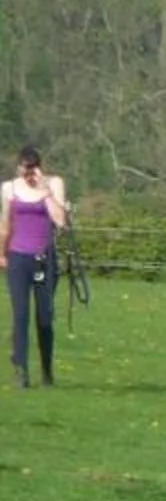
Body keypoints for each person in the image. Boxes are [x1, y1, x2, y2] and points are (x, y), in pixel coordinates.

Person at [7, 146, 70, 387]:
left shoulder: (53, 184)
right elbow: (6, 222)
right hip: (18, 258)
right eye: (25, 168)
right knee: (20, 315)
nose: (29, 174)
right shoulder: (9, 188)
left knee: (45, 317)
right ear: (19, 167)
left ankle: (47, 369)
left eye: (32, 168)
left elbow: (60, 220)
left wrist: (45, 192)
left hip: (45, 257)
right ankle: (21, 370)